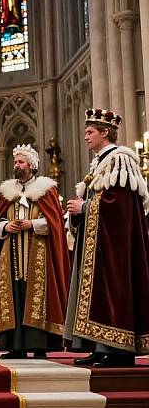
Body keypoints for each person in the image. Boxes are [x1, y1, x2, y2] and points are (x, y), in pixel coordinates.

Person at [65, 108, 149, 368]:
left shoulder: (120, 160)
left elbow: (119, 206)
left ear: (105, 132)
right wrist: (79, 211)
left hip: (114, 246)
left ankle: (115, 349)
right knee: (96, 293)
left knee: (112, 291)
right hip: (99, 241)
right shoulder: (101, 163)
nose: (86, 137)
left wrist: (85, 208)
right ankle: (98, 346)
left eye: (90, 132)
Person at [0, 144, 70, 359]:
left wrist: (31, 224)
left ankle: (40, 345)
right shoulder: (6, 192)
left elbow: (55, 223)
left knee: (38, 297)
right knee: (14, 297)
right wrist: (6, 227)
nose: (17, 166)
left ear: (31, 165)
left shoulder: (46, 190)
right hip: (10, 255)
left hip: (38, 254)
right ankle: (16, 346)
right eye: (15, 162)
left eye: (21, 162)